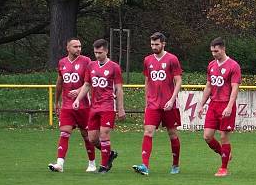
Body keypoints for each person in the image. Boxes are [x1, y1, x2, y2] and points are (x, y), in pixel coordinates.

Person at [132, 32, 183, 176]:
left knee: (172, 134)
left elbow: (178, 80)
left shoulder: (172, 59)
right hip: (153, 105)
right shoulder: (147, 60)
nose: (154, 47)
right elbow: (147, 81)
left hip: (169, 105)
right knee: (148, 132)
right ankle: (145, 166)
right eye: (152, 44)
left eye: (157, 44)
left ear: (163, 44)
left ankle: (175, 164)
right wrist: (147, 102)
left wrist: (172, 99)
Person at [73, 38, 125, 173]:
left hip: (108, 106)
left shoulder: (114, 67)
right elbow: (86, 85)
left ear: (106, 51)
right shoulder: (91, 66)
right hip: (94, 107)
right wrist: (78, 99)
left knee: (104, 135)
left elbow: (119, 89)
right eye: (95, 52)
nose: (97, 55)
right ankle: (109, 154)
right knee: (92, 138)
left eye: (100, 52)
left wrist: (121, 108)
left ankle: (103, 166)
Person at [48, 38, 96, 172]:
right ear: (68, 48)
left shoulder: (86, 61)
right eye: (75, 46)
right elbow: (59, 83)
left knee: (86, 135)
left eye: (80, 46)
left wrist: (80, 90)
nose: (78, 49)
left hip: (84, 106)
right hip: (67, 106)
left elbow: (91, 81)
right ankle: (60, 164)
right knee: (64, 133)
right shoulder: (62, 63)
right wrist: (56, 101)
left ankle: (92, 163)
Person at [198, 37, 241, 177]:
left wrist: (229, 106)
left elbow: (235, 88)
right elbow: (209, 86)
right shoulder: (211, 65)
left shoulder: (233, 66)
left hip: (226, 104)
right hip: (213, 105)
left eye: (216, 51)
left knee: (223, 136)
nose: (214, 54)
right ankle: (224, 154)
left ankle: (223, 168)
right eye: (212, 51)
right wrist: (201, 104)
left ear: (223, 49)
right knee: (207, 136)